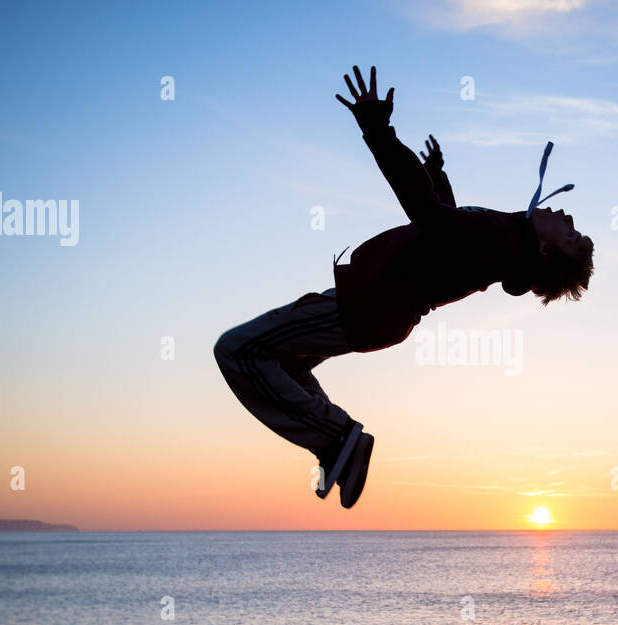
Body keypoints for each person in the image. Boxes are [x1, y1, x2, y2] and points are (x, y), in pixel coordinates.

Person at [214, 65, 594, 509]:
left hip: (374, 301)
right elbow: (446, 227)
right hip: (376, 305)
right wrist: (435, 173)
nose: (567, 218)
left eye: (570, 234)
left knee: (237, 350)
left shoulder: (504, 241)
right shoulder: (502, 242)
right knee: (285, 365)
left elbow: (430, 216)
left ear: (547, 252)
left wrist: (376, 129)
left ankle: (339, 438)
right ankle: (335, 446)